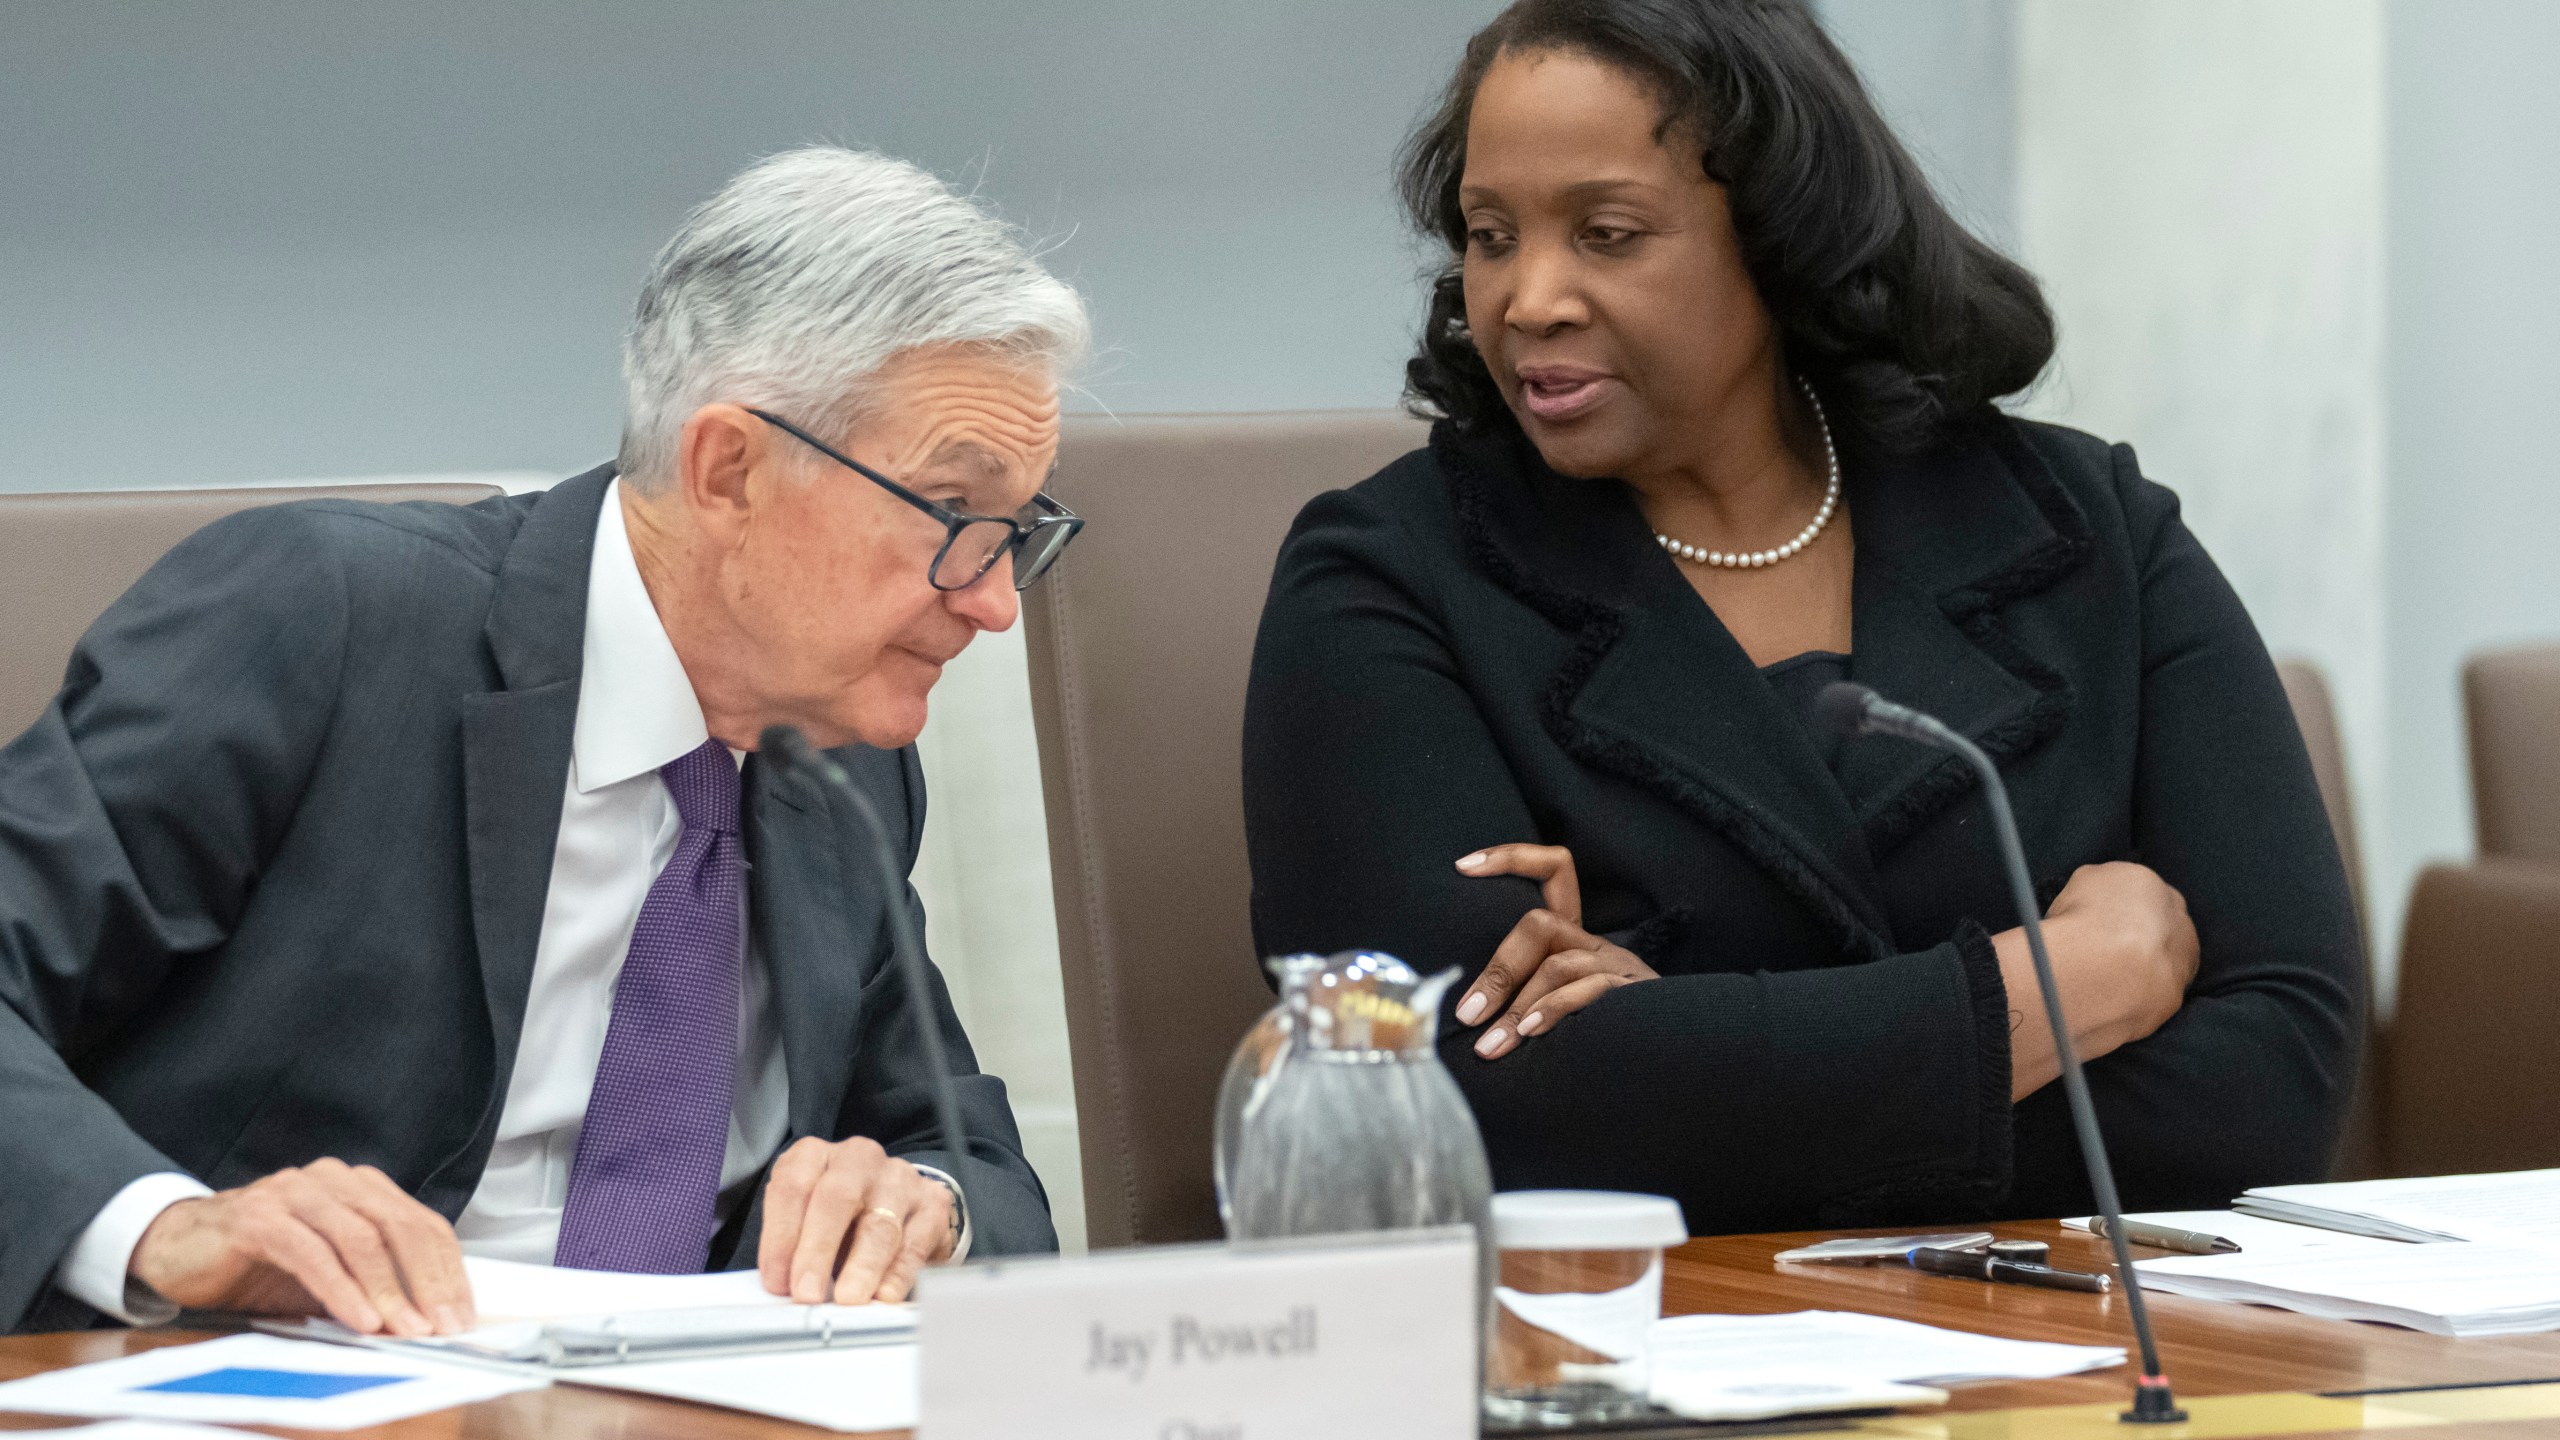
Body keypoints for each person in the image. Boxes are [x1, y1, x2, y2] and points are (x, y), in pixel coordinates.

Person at [1243, 0, 2361, 1233]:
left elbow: (2280, 1079)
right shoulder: (1385, 574)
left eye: (1607, 234)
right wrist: (2057, 993)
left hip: (2096, 1349)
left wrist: (1684, 1049)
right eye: (1490, 235)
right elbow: (1447, 1111)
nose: (1526, 298)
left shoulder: (2087, 525)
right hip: (1638, 1362)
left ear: (1780, 236)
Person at [0, 147, 1088, 1334]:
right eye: (955, 516)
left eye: (1016, 530)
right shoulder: (328, 620)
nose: (993, 601)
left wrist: (920, 1202)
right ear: (728, 469)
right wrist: (160, 1229)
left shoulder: (845, 761)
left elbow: (970, 1154)